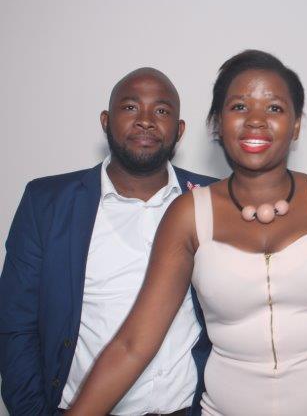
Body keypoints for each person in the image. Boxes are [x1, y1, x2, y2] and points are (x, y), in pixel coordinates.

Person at [67, 50, 307, 415]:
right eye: (239, 107)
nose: (256, 120)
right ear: (217, 124)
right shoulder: (187, 215)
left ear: (296, 125)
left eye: (274, 108)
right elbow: (133, 345)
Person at [0, 68, 217, 415]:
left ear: (179, 130)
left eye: (161, 110)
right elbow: (15, 325)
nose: (145, 120)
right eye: (130, 107)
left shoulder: (213, 199)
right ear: (105, 121)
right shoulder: (47, 203)